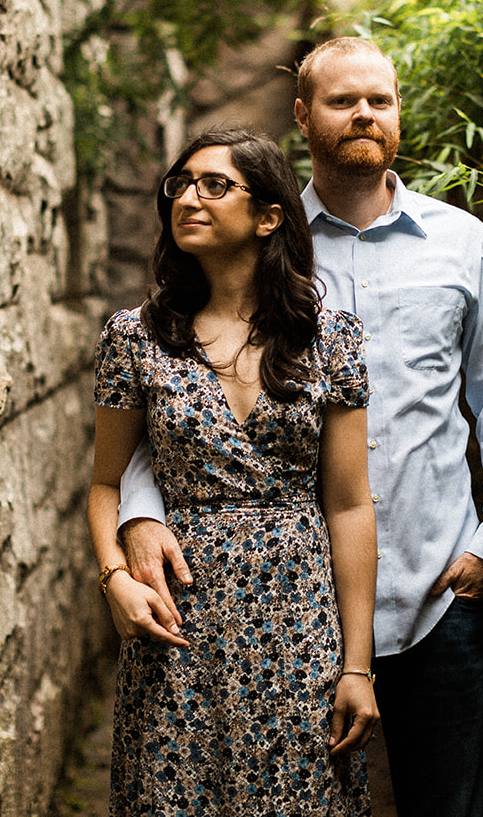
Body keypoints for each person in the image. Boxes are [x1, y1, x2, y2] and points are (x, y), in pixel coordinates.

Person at [118, 38, 483, 817]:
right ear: (302, 114)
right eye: (344, 100)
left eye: (379, 100)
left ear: (397, 113)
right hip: (288, 607)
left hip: (437, 586)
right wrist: (140, 512)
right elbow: (173, 404)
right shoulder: (258, 243)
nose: (364, 115)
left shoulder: (459, 243)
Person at [88, 128, 380, 816]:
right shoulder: (135, 336)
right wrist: (114, 578)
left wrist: (357, 665)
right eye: (181, 184)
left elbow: (349, 504)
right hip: (179, 624)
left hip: (298, 622)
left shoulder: (330, 335)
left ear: (269, 214)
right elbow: (105, 482)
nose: (189, 196)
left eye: (214, 184)